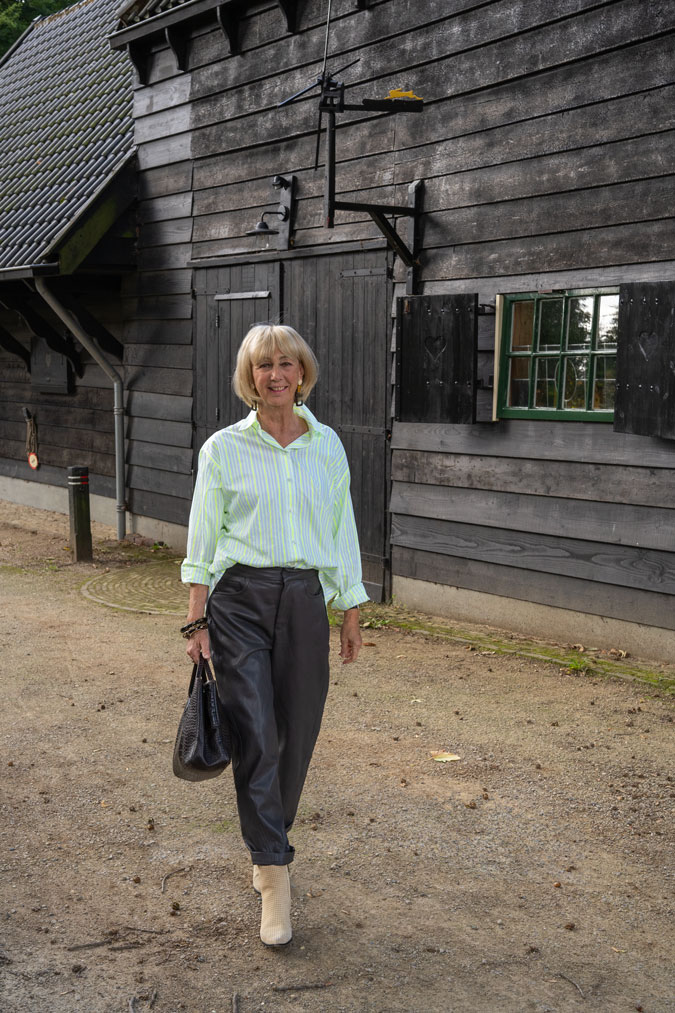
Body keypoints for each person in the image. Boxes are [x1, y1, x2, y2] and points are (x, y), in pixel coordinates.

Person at [180, 323, 368, 947]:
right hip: (240, 603)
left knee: (298, 733)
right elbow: (204, 534)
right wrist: (197, 615)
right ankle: (273, 874)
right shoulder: (223, 449)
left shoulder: (327, 446)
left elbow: (341, 528)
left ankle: (269, 841)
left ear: (302, 373)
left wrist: (350, 605)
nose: (276, 375)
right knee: (256, 733)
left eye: (286, 364)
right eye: (264, 366)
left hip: (308, 600)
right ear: (249, 378)